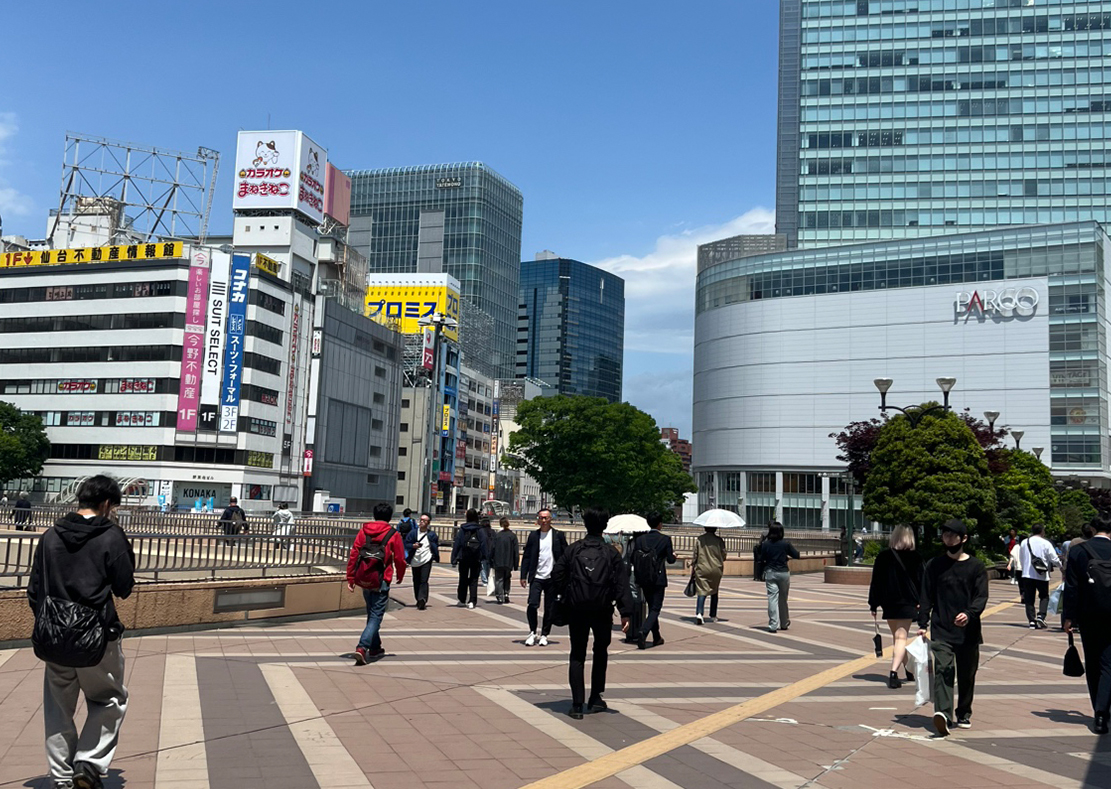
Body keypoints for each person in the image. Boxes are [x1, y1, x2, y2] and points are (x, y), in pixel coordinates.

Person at [27, 475, 135, 789]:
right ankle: (87, 763)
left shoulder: (50, 536)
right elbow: (124, 587)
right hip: (97, 636)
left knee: (58, 706)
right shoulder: (111, 536)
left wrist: (51, 623)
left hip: (54, 636)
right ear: (105, 504)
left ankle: (61, 778)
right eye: (113, 507)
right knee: (109, 699)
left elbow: (35, 590)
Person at [551, 508, 633, 720]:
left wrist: (567, 593)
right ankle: (595, 698)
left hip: (577, 609)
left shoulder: (573, 550)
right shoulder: (610, 553)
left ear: (585, 525)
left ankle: (577, 705)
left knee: (577, 654)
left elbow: (557, 574)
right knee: (600, 651)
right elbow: (622, 584)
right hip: (602, 609)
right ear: (604, 527)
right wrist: (625, 612)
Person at [917, 519, 989, 736]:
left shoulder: (976, 567)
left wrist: (969, 614)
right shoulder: (934, 565)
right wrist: (922, 624)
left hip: (968, 632)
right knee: (943, 670)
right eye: (945, 535)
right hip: (942, 629)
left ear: (963, 538)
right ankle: (943, 715)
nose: (948, 539)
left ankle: (964, 712)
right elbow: (926, 595)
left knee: (967, 674)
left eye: (952, 535)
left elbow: (981, 597)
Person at [1064, 513, 1111, 734]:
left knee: (1093, 663)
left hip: (1089, 616)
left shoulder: (1078, 551)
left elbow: (1071, 588)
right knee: (1109, 664)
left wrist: (1068, 618)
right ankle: (1104, 710)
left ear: (1092, 529)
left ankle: (1099, 714)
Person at [346, 502, 407, 665]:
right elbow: (400, 558)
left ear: (374, 515)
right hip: (382, 580)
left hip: (365, 578)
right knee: (376, 616)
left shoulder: (364, 531)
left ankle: (375, 647)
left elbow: (354, 554)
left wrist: (350, 577)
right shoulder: (393, 534)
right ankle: (362, 647)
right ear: (389, 516)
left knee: (372, 613)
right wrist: (400, 575)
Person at [868, 524, 924, 689]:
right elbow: (923, 582)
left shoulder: (883, 557)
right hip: (908, 602)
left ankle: (909, 670)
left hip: (889, 602)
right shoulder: (916, 558)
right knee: (901, 638)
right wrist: (924, 601)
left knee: (898, 638)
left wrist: (873, 603)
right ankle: (893, 673)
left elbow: (876, 582)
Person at [520, 508, 568, 646]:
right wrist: (523, 575)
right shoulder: (533, 536)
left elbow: (565, 556)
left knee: (550, 607)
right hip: (537, 576)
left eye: (546, 518)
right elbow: (527, 556)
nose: (544, 520)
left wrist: (564, 575)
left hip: (552, 578)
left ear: (551, 519)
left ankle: (545, 634)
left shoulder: (558, 535)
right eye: (541, 517)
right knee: (532, 604)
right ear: (538, 519)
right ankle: (532, 632)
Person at [631, 512, 676, 649]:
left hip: (644, 578)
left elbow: (634, 558)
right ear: (660, 524)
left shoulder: (640, 540)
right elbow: (670, 560)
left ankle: (656, 637)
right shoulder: (665, 539)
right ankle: (643, 632)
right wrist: (674, 555)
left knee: (652, 607)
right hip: (658, 578)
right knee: (656, 608)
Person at [758, 521, 799, 633]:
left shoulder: (766, 544)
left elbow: (761, 559)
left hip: (770, 572)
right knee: (783, 599)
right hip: (783, 573)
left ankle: (773, 624)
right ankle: (784, 622)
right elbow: (797, 555)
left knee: (772, 598)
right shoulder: (785, 544)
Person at [1019, 523, 1061, 629]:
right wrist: (1061, 566)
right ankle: (1041, 615)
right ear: (1042, 531)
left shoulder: (1025, 542)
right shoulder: (1045, 543)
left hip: (1027, 574)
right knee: (1044, 596)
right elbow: (1053, 558)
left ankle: (1032, 621)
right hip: (1041, 574)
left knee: (1029, 598)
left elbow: (1022, 558)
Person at [451, 508, 488, 608]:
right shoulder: (479, 529)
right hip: (476, 558)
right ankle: (472, 601)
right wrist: (485, 556)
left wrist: (454, 558)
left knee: (463, 578)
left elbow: (457, 543)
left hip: (464, 557)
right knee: (474, 579)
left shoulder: (463, 529)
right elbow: (484, 543)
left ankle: (462, 599)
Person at [403, 512, 439, 610]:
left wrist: (434, 556)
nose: (422, 522)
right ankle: (418, 598)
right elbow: (406, 543)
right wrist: (413, 546)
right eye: (421, 520)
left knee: (424, 580)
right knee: (416, 580)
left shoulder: (431, 535)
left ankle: (422, 599)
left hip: (427, 559)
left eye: (424, 520)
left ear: (428, 523)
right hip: (415, 560)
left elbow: (435, 545)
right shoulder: (413, 533)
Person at [692, 526, 726, 625]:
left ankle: (699, 613)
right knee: (714, 590)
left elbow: (695, 554)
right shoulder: (719, 540)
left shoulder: (700, 539)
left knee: (702, 590)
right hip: (716, 568)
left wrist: (693, 564)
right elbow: (724, 555)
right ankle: (713, 615)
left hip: (702, 567)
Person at [492, 517, 520, 603]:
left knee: (499, 579)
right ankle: (506, 593)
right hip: (509, 561)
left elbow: (492, 549)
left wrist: (491, 561)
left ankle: (499, 596)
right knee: (507, 578)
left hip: (498, 561)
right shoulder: (512, 536)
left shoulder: (497, 536)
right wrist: (516, 564)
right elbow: (516, 551)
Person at [479, 516, 496, 596]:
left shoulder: (480, 531)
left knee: (482, 566)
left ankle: (485, 580)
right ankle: (488, 580)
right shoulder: (492, 531)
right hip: (491, 552)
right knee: (489, 567)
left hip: (483, 552)